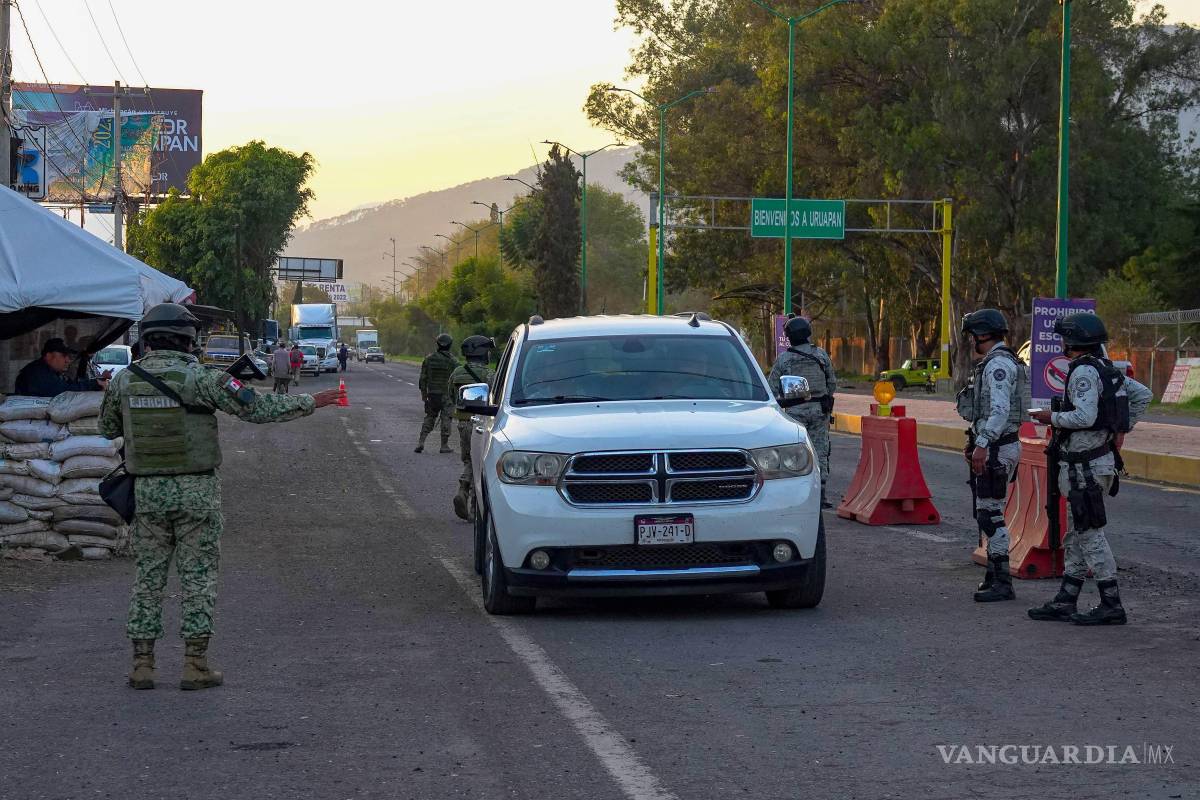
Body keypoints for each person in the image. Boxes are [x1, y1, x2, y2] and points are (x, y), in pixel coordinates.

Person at [98, 303, 343, 691]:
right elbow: (257, 409)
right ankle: (195, 665)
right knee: (198, 579)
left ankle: (142, 665)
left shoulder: (124, 380)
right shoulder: (202, 377)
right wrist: (313, 401)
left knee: (148, 578)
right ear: (187, 338)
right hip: (197, 492)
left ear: (147, 338)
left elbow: (107, 426)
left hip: (145, 493)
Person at [1029, 313, 1152, 625]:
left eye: (1063, 338)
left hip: (1084, 467)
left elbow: (1083, 416)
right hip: (1093, 463)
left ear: (1072, 340)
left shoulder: (1084, 370)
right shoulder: (1106, 368)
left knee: (1090, 534)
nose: (1060, 343)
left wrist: (1050, 418)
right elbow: (1142, 395)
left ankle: (1112, 603)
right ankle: (1067, 599)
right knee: (1078, 532)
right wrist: (1117, 429)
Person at [955, 309, 1030, 603]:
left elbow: (998, 411)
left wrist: (983, 444)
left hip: (998, 447)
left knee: (991, 516)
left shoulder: (998, 365)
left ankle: (1003, 581)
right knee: (989, 511)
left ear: (983, 334)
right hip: (998, 445)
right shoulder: (1002, 361)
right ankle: (994, 575)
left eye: (973, 335)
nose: (971, 341)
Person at [767, 317, 838, 508]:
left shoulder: (784, 359)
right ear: (808, 333)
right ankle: (821, 496)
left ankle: (795, 495)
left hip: (794, 413)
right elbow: (832, 384)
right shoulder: (821, 355)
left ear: (789, 337)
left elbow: (771, 389)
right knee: (820, 451)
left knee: (794, 453)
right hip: (819, 411)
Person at [446, 335, 496, 519]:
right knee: (480, 464)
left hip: (463, 423)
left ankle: (463, 491)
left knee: (469, 460)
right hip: (481, 423)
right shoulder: (490, 375)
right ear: (482, 352)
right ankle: (475, 509)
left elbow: (452, 396)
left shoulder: (457, 372)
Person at [14, 337, 109, 397]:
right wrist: (94, 384)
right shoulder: (36, 373)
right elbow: (63, 391)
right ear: (49, 356)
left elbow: (71, 384)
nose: (68, 360)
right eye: (64, 355)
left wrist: (98, 381)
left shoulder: (51, 371)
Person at [415, 333, 458, 454]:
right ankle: (444, 445)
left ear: (437, 344)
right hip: (447, 395)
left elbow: (422, 379)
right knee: (446, 419)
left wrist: (424, 395)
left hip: (432, 394)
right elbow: (456, 380)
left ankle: (421, 441)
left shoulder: (429, 359)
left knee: (430, 417)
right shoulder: (453, 361)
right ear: (449, 345)